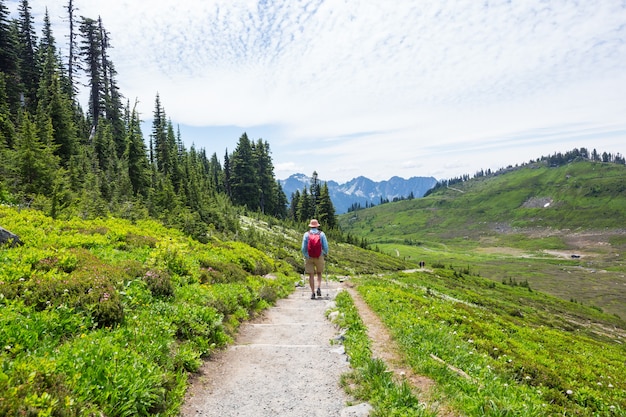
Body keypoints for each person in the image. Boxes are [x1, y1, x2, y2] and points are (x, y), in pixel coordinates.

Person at [301, 219, 329, 299]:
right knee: (319, 273)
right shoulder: (322, 234)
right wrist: (325, 253)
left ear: (310, 226)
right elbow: (325, 246)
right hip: (319, 256)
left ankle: (313, 293)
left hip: (309, 257)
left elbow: (303, 247)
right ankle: (319, 287)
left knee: (311, 275)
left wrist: (305, 254)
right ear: (317, 226)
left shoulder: (306, 234)